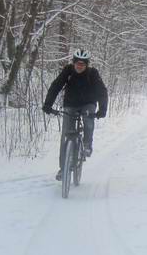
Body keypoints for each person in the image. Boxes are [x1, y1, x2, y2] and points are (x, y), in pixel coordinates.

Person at [42, 49, 108, 180]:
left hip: (88, 103)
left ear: (86, 65)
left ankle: (87, 144)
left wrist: (102, 110)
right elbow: (56, 86)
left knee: (88, 118)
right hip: (70, 104)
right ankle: (63, 169)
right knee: (65, 134)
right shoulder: (68, 71)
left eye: (82, 64)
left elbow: (102, 92)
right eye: (77, 63)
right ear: (73, 63)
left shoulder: (93, 73)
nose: (79, 66)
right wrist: (47, 105)